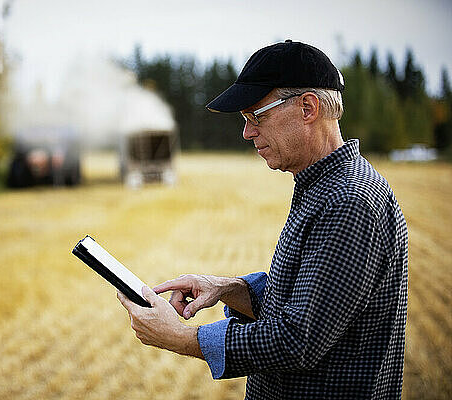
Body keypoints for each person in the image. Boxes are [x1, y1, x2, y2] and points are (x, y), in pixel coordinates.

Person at [117, 40, 408, 400]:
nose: (247, 132)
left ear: (307, 108)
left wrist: (180, 337)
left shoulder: (348, 202)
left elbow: (297, 340)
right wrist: (227, 289)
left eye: (257, 116)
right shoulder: (324, 186)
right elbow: (308, 298)